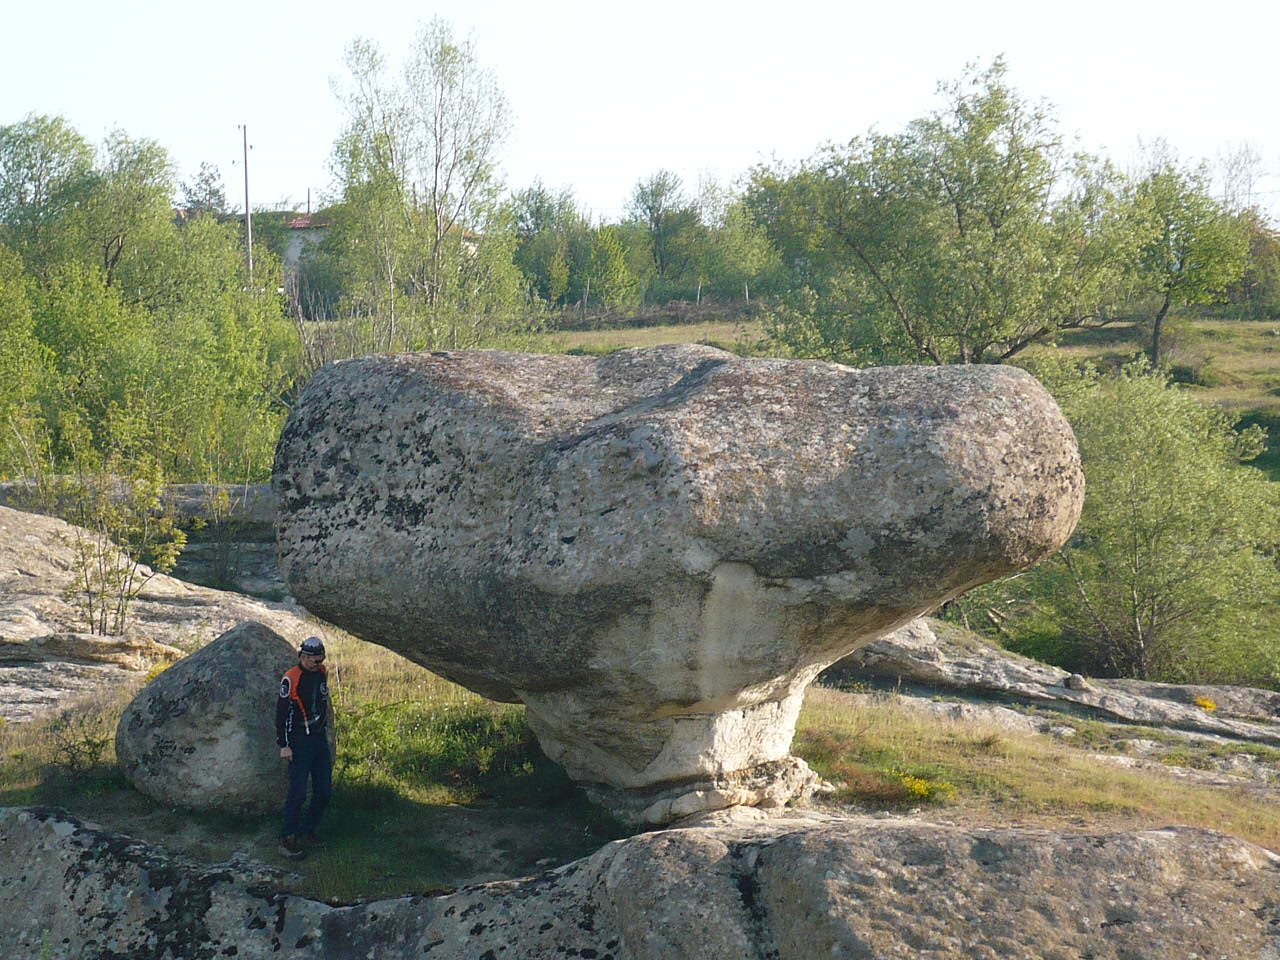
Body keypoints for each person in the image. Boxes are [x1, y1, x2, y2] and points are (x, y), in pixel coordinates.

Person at [276, 635, 332, 861]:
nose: (316, 664)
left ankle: (308, 830)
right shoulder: (291, 678)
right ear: (303, 656)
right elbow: (281, 714)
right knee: (298, 793)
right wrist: (284, 745)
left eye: (320, 660)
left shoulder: (322, 673)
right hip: (299, 741)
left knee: (324, 790)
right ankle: (287, 839)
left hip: (318, 739)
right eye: (313, 660)